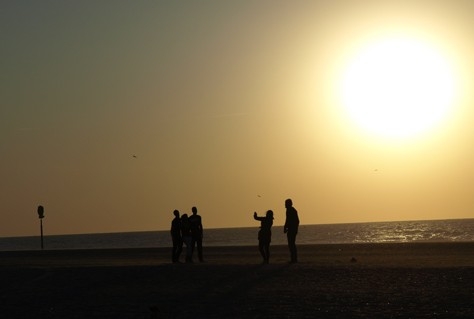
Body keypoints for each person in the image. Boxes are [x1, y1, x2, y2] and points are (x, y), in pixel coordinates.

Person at [284, 198, 299, 263]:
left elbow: (296, 221)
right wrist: (285, 227)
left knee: (291, 244)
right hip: (291, 229)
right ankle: (293, 258)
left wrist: (293, 228)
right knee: (291, 244)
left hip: (292, 229)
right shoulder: (289, 210)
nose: (285, 205)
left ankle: (294, 259)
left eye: (286, 203)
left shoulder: (292, 210)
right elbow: (287, 220)